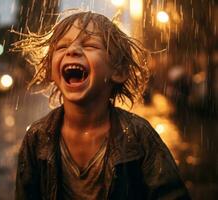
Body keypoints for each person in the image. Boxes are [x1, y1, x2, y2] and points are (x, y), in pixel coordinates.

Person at [14, 11, 190, 200]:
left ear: (118, 71)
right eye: (62, 46)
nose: (72, 50)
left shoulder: (139, 136)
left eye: (89, 45)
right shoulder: (37, 138)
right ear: (50, 70)